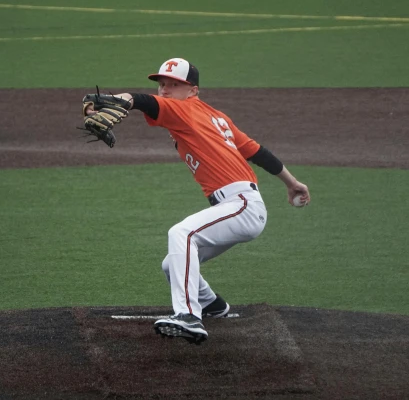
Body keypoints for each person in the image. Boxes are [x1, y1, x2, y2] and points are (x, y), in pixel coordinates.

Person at [86, 57, 310, 344]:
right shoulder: (216, 117)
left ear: (192, 90)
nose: (165, 90)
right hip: (237, 206)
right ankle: (212, 305)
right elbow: (256, 152)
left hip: (241, 205)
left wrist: (117, 99)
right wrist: (292, 183)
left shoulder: (185, 110)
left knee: (181, 233)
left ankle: (189, 316)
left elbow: (143, 101)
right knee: (173, 264)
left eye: (174, 85)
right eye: (162, 84)